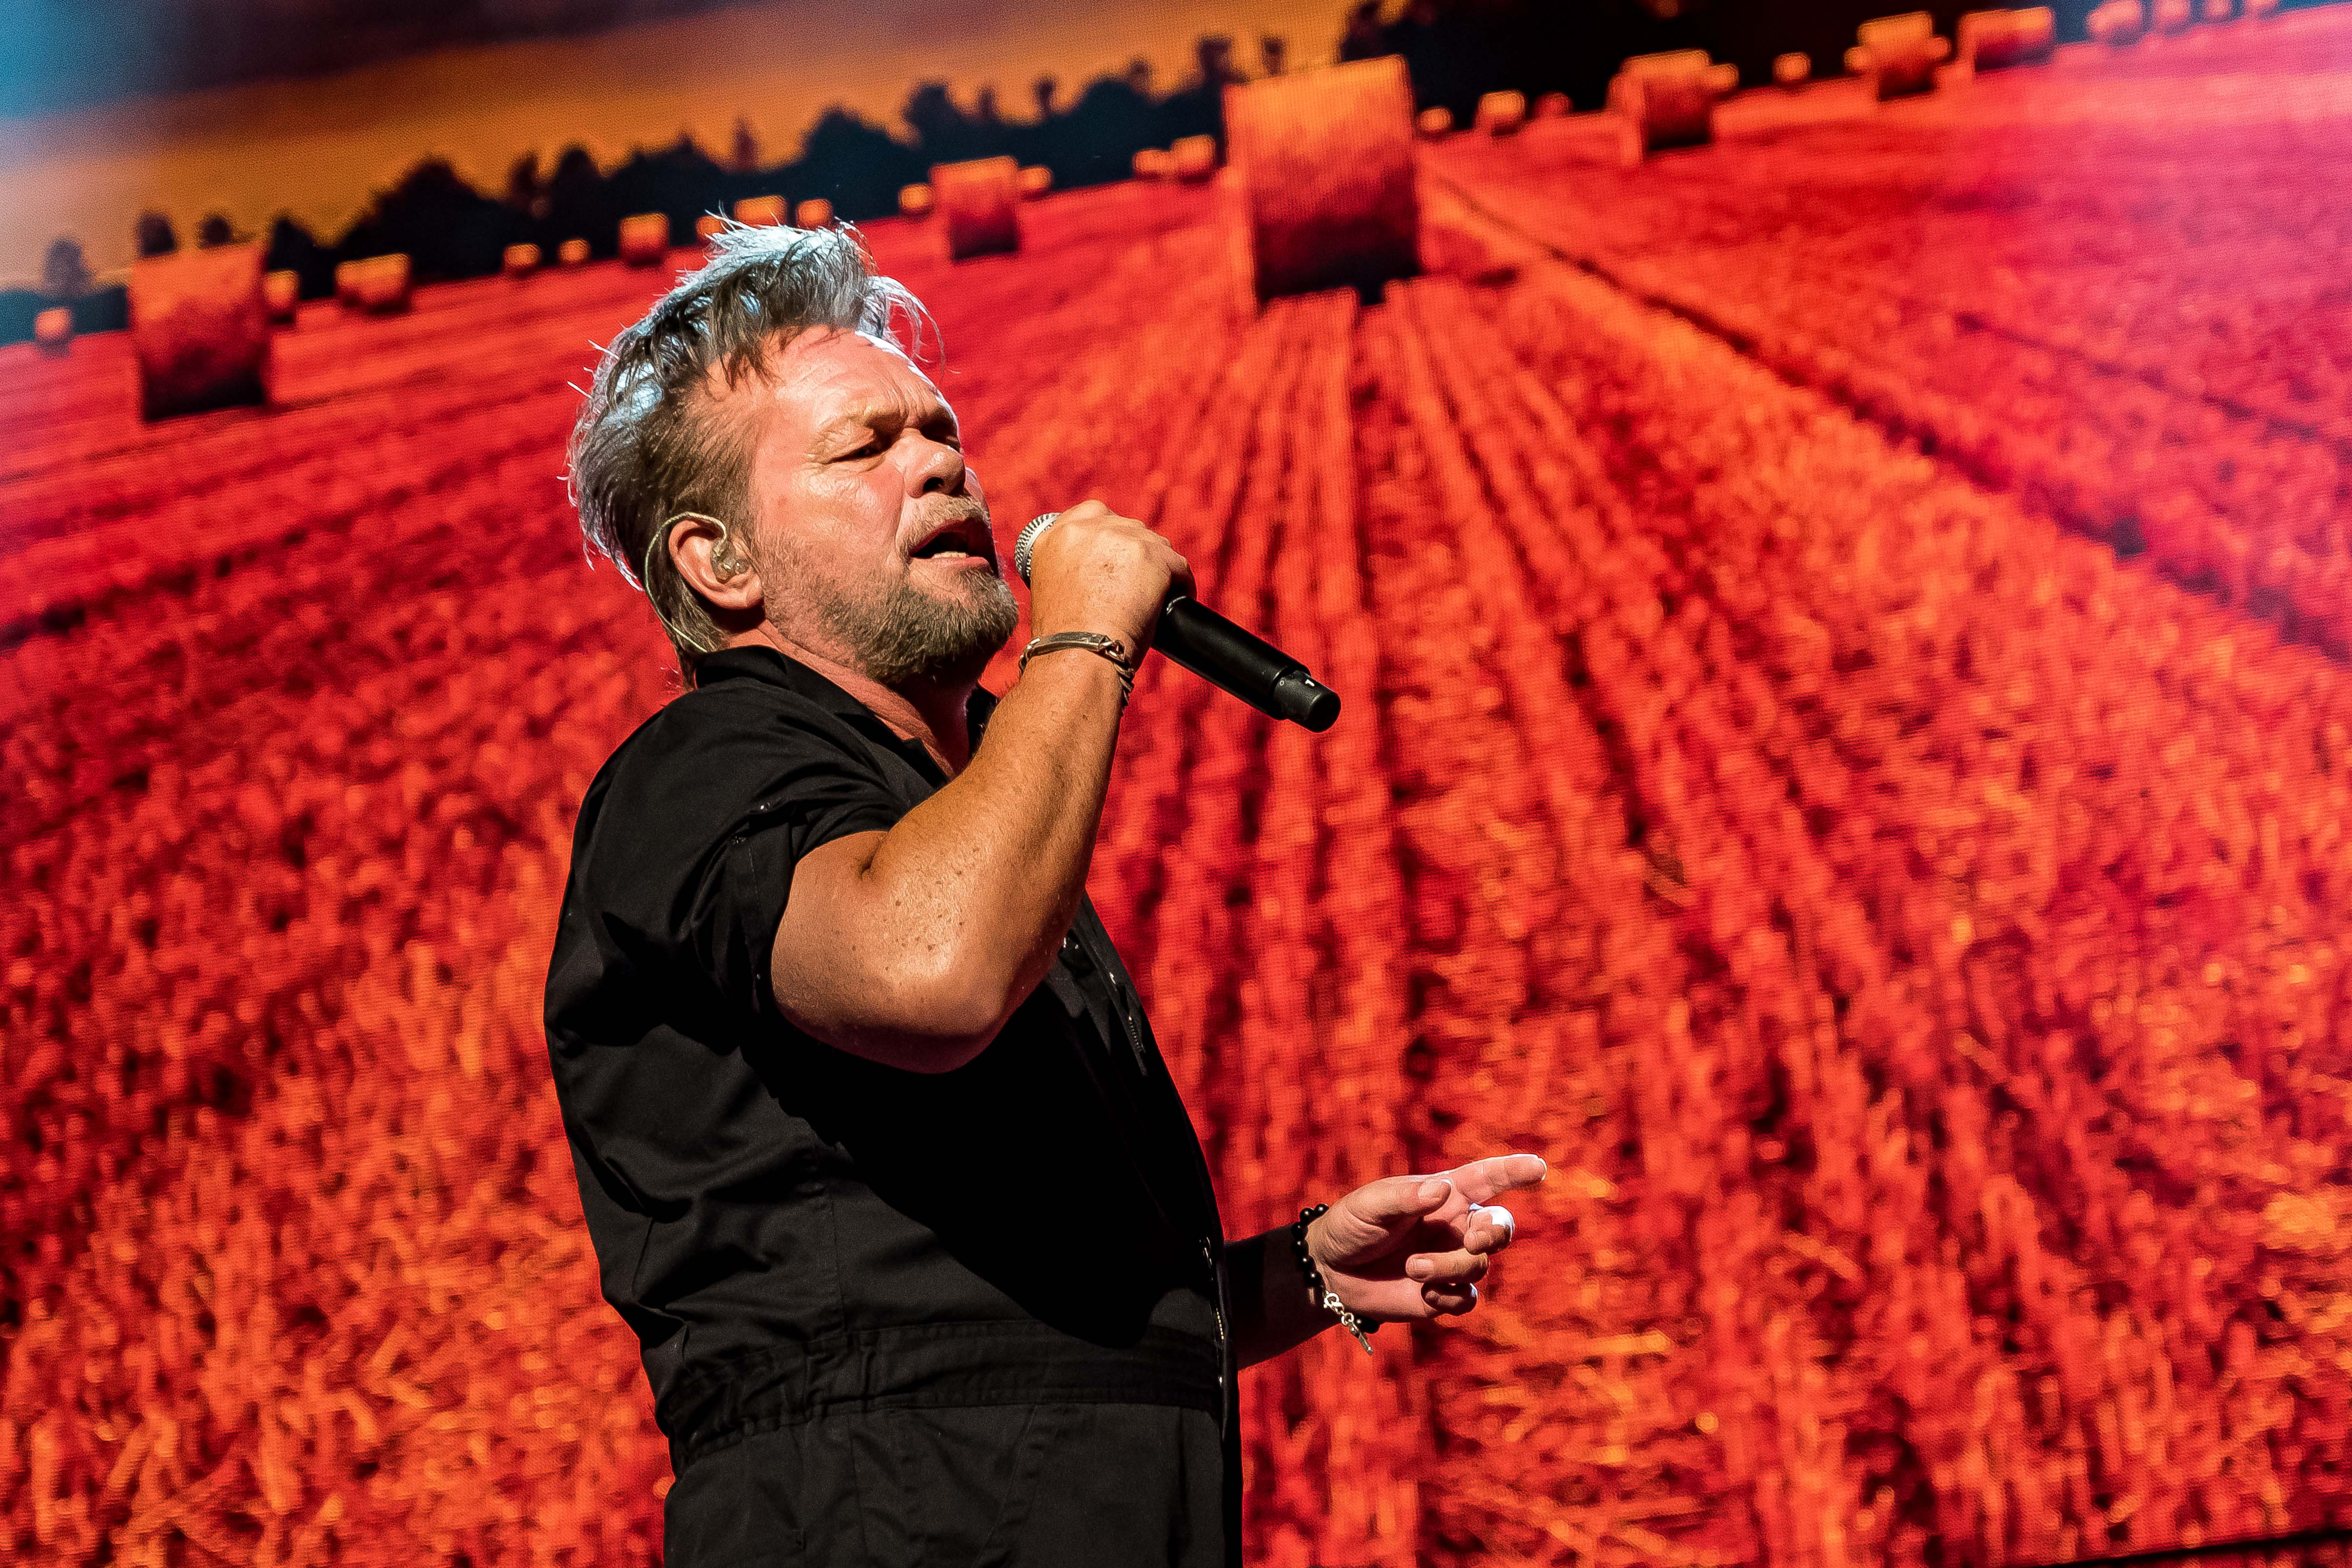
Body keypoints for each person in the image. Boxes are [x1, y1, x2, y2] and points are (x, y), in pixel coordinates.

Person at [543, 222, 1546, 1568]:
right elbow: (933, 971)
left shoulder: (940, 818)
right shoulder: (704, 769)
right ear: (721, 565)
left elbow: (993, 1319)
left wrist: (1297, 1275)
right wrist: (1080, 638)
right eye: (863, 447)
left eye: (938, 430)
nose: (938, 462)